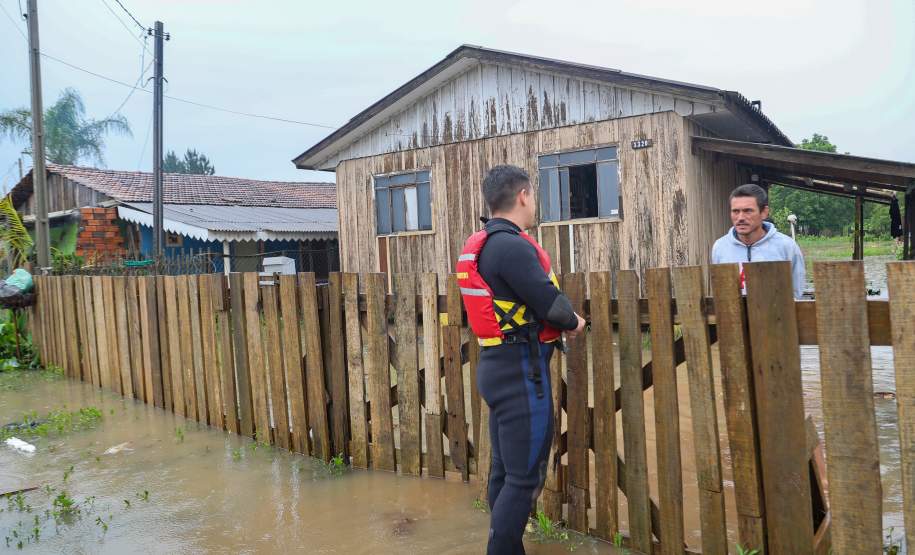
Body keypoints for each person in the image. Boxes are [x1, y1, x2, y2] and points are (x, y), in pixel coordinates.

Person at [457, 165, 586, 554]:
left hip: (496, 367)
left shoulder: (485, 244)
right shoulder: (512, 246)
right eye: (533, 197)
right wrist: (577, 321)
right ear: (524, 196)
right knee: (525, 478)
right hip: (521, 374)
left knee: (504, 471)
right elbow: (553, 307)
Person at [711, 183, 806, 298]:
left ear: (764, 212)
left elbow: (796, 294)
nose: (740, 217)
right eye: (736, 211)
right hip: (734, 315)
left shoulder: (786, 246)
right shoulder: (720, 247)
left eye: (748, 211)